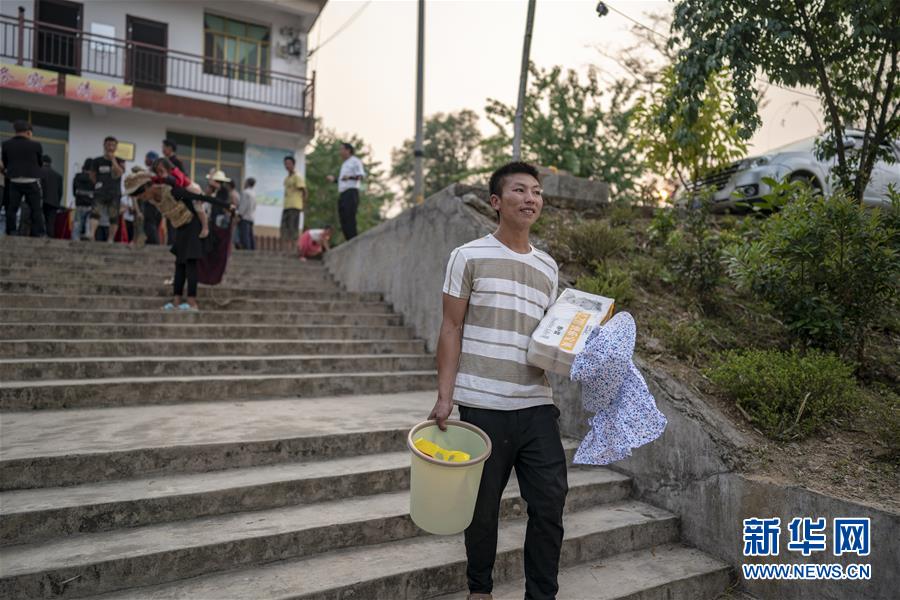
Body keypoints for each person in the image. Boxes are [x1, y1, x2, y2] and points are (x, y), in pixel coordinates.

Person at [428, 162, 565, 600]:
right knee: (482, 509)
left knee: (550, 503)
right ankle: (480, 590)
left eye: (536, 192)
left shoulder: (547, 267)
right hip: (484, 405)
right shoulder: (467, 256)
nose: (531, 199)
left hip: (537, 404)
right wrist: (445, 397)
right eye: (519, 190)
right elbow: (451, 327)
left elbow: (550, 337)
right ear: (496, 202)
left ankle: (541, 595)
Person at [125, 171, 233, 311]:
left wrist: (227, 206)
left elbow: (199, 197)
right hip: (181, 227)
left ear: (147, 187)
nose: (142, 198)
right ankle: (176, 301)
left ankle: (192, 303)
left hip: (194, 224)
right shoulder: (152, 199)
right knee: (179, 264)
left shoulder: (171, 191)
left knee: (190, 262)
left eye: (141, 194)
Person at [1, 120, 45, 236]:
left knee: (12, 208)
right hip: (31, 180)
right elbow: (40, 163)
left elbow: (5, 163)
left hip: (14, 180)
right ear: (28, 132)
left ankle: (11, 231)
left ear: (15, 130)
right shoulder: (36, 145)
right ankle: (39, 233)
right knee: (36, 209)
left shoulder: (6, 144)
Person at [89, 136, 125, 242]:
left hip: (114, 192)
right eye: (108, 144)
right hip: (100, 191)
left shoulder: (120, 160)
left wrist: (113, 159)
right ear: (104, 145)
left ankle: (110, 239)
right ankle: (92, 235)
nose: (110, 147)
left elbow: (119, 173)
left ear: (116, 147)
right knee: (95, 213)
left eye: (113, 145)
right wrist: (98, 184)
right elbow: (92, 175)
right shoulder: (97, 161)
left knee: (114, 217)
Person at [326, 142, 365, 241]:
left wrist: (350, 177)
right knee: (343, 218)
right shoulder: (344, 164)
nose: (340, 152)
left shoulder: (355, 161)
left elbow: (361, 176)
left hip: (351, 192)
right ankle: (348, 240)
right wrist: (334, 179)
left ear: (348, 150)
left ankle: (353, 240)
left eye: (342, 149)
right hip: (343, 193)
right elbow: (343, 180)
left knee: (349, 217)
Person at [281, 155, 307, 252]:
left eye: (289, 163)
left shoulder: (297, 176)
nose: (287, 166)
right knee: (284, 227)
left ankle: (294, 249)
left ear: (293, 164)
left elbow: (304, 191)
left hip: (295, 206)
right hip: (286, 206)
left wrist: (303, 205)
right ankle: (286, 249)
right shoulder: (287, 178)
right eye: (285, 164)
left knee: (293, 228)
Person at [38, 154, 63, 238]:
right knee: (50, 224)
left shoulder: (39, 172)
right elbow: (60, 192)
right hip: (53, 203)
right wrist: (57, 202)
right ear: (50, 163)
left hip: (41, 201)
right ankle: (50, 239)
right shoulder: (58, 176)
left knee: (39, 221)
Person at [71, 159, 95, 240]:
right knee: (89, 224)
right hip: (91, 204)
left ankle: (75, 240)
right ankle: (88, 239)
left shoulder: (77, 177)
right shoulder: (94, 179)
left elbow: (74, 192)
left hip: (80, 203)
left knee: (77, 223)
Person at [237, 177, 257, 250]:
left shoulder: (245, 193)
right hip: (251, 216)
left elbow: (243, 205)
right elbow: (254, 206)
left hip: (245, 217)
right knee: (250, 235)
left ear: (247, 183)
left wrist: (239, 215)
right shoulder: (254, 193)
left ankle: (247, 249)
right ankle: (252, 249)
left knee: (245, 235)